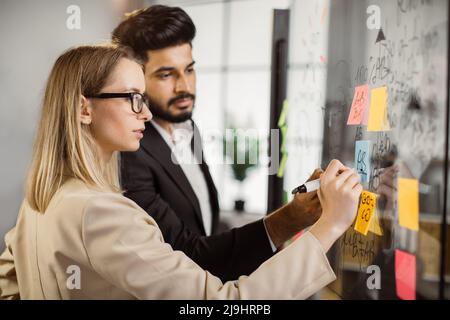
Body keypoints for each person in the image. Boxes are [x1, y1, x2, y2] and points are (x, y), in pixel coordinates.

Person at [0, 44, 362, 299]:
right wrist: (328, 226)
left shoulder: (40, 199)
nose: (145, 113)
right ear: (84, 109)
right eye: (132, 98)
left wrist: (291, 219)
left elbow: (9, 284)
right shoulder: (100, 213)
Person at [113, 5, 325, 281]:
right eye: (166, 75)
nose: (184, 86)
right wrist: (290, 219)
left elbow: (204, 228)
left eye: (189, 69)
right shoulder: (129, 155)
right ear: (135, 80)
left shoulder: (188, 128)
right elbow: (186, 255)